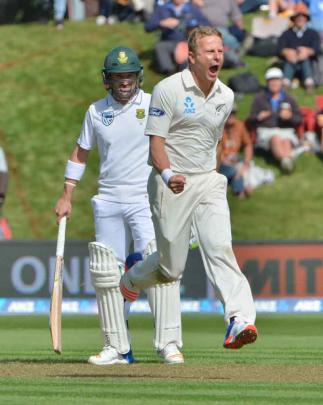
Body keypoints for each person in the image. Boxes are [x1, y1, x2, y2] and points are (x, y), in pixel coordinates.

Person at [120, 26, 258, 350]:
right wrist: (169, 176)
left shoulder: (226, 96)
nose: (218, 56)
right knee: (171, 267)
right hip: (170, 183)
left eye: (220, 51)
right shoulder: (168, 90)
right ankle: (132, 278)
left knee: (220, 248)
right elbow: (156, 146)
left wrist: (209, 180)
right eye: (210, 51)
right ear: (192, 56)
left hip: (208, 181)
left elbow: (213, 143)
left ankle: (239, 319)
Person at [54, 46, 183, 365]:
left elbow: (171, 144)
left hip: (144, 197)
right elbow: (80, 154)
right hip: (109, 198)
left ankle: (168, 343)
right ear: (107, 81)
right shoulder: (96, 111)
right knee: (105, 272)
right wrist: (67, 194)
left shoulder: (154, 103)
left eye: (128, 77)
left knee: (158, 266)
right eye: (117, 77)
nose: (124, 83)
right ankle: (117, 347)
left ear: (137, 77)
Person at [247, 67, 302, 173]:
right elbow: (250, 120)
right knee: (275, 138)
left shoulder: (289, 98)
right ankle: (287, 162)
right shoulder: (259, 98)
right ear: (267, 83)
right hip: (267, 130)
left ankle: (286, 162)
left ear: (281, 81)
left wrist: (290, 117)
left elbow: (299, 119)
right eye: (271, 80)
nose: (274, 83)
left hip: (286, 129)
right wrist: (259, 117)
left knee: (286, 141)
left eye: (277, 80)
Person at [144, 0, 210, 74]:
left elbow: (208, 24)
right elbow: (147, 27)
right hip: (169, 41)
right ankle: (169, 72)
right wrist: (161, 23)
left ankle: (186, 70)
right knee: (160, 47)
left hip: (187, 42)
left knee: (188, 61)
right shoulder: (162, 9)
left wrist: (195, 28)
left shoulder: (192, 9)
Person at [277, 3, 321, 92]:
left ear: (306, 19)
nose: (300, 19)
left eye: (303, 16)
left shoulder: (313, 33)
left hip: (308, 64)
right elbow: (278, 49)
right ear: (294, 19)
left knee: (305, 60)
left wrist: (308, 51)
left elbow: (317, 49)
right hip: (290, 62)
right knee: (290, 60)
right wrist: (287, 52)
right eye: (298, 16)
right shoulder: (286, 33)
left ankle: (309, 82)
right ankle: (286, 83)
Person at [218, 105, 254, 198]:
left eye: (233, 113)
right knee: (234, 170)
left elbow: (248, 144)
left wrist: (246, 161)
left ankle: (238, 189)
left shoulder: (240, 125)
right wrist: (223, 159)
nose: (231, 116)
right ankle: (240, 190)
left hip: (235, 159)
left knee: (241, 169)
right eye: (229, 113)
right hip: (221, 161)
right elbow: (215, 149)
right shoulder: (218, 127)